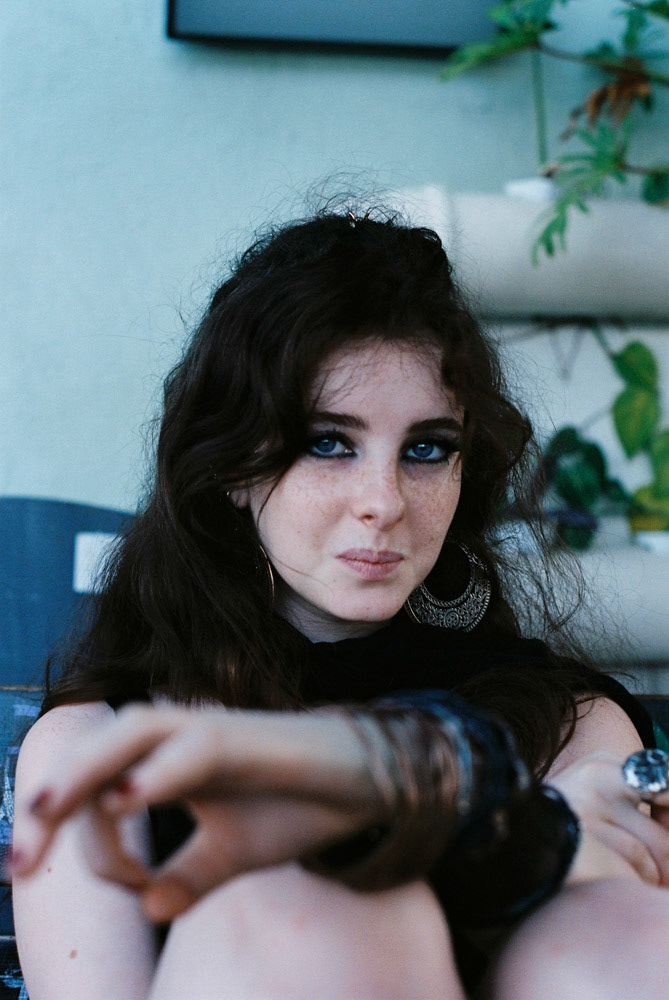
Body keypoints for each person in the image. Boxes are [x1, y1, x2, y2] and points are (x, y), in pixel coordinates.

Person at [10, 209, 669, 1000]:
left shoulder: (565, 722)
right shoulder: (96, 745)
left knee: (618, 929)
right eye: (327, 441)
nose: (383, 501)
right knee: (297, 912)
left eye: (426, 449)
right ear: (234, 463)